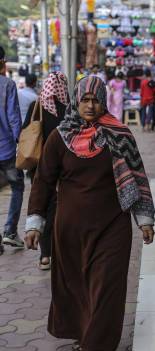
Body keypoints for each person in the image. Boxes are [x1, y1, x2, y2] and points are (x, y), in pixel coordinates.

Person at [24, 76, 155, 351]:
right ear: (76, 101)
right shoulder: (60, 137)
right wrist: (34, 222)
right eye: (84, 100)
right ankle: (87, 332)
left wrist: (144, 219)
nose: (90, 105)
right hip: (69, 231)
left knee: (107, 287)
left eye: (95, 100)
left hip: (112, 227)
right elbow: (43, 181)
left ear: (104, 101)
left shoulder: (119, 134)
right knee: (80, 287)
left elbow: (137, 176)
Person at [22, 72, 70, 270]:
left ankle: (45, 255)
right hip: (62, 167)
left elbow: (24, 131)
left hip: (38, 167)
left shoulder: (36, 106)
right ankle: (60, 251)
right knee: (59, 208)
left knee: (42, 205)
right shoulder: (68, 108)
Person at [0, 47, 25, 252]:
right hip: (6, 150)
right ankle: (9, 231)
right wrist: (21, 143)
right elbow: (14, 117)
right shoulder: (7, 85)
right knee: (17, 187)